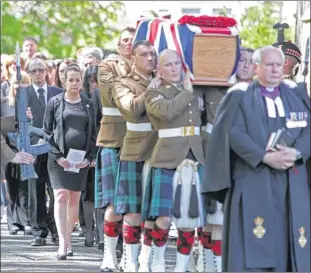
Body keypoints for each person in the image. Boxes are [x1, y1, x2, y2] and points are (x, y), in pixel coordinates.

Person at [201, 46, 310, 271]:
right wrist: (263, 157)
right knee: (251, 244)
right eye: (269, 65)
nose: (274, 70)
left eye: (278, 65)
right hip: (253, 178)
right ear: (255, 67)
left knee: (289, 243)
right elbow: (233, 133)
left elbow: (308, 130)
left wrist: (297, 153)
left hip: (291, 181)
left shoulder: (296, 96)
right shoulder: (238, 96)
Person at [143, 49, 204, 272]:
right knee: (163, 219)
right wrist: (188, 91)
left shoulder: (196, 91)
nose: (175, 68)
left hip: (195, 156)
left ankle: (182, 266)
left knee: (188, 220)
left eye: (177, 63)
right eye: (168, 65)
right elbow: (166, 112)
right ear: (159, 69)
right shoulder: (153, 93)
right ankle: (158, 262)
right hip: (167, 158)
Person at [196, 46, 255, 272]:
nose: (246, 65)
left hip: (244, 157)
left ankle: (224, 263)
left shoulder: (259, 91)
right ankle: (206, 259)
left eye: (251, 61)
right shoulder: (212, 88)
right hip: (214, 152)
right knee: (213, 213)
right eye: (241, 60)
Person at [106, 40, 157, 272]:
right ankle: (130, 258)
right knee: (133, 211)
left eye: (153, 54)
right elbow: (131, 110)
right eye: (144, 54)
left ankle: (146, 259)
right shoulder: (121, 83)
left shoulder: (165, 81)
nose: (150, 58)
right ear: (133, 58)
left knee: (153, 212)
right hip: (135, 152)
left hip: (160, 152)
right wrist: (152, 90)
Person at [43, 64, 96, 260]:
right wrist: (58, 156)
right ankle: (63, 244)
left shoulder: (89, 104)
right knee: (61, 196)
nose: (74, 83)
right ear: (64, 82)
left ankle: (68, 241)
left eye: (77, 79)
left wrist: (89, 158)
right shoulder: (54, 102)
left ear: (81, 81)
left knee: (74, 199)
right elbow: (47, 132)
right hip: (58, 159)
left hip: (79, 160)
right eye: (70, 80)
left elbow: (93, 134)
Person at [94, 26, 135, 270]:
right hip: (113, 139)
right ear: (119, 44)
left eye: (133, 40)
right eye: (126, 40)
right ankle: (109, 254)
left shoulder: (146, 65)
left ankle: (130, 255)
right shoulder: (107, 66)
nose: (130, 44)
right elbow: (113, 95)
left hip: (140, 141)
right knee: (112, 203)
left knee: (133, 206)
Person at [26, 58, 63, 246]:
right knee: (36, 191)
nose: (38, 73)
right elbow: (19, 123)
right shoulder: (22, 94)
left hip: (54, 147)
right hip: (32, 147)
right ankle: (38, 232)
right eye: (34, 71)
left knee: (56, 190)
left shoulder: (58, 93)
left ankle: (56, 228)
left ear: (47, 71)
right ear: (29, 73)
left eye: (41, 70)